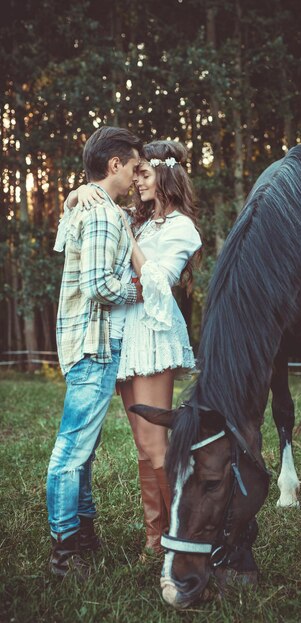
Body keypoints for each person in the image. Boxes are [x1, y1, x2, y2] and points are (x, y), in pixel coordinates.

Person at [69, 140, 202, 558]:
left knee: (156, 445)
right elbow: (80, 208)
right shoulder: (140, 221)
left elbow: (157, 283)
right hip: (125, 335)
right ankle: (153, 535)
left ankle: (181, 532)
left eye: (144, 174)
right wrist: (80, 191)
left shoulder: (182, 228)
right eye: (137, 173)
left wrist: (128, 234)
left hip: (153, 337)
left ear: (165, 176)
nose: (137, 181)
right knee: (142, 447)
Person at [47, 126, 143, 577]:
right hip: (94, 342)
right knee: (71, 450)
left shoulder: (94, 206)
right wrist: (142, 289)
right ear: (114, 165)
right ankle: (65, 550)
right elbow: (99, 285)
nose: (136, 175)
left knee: (83, 447)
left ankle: (83, 532)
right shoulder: (102, 214)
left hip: (81, 340)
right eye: (133, 166)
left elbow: (64, 241)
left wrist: (73, 195)